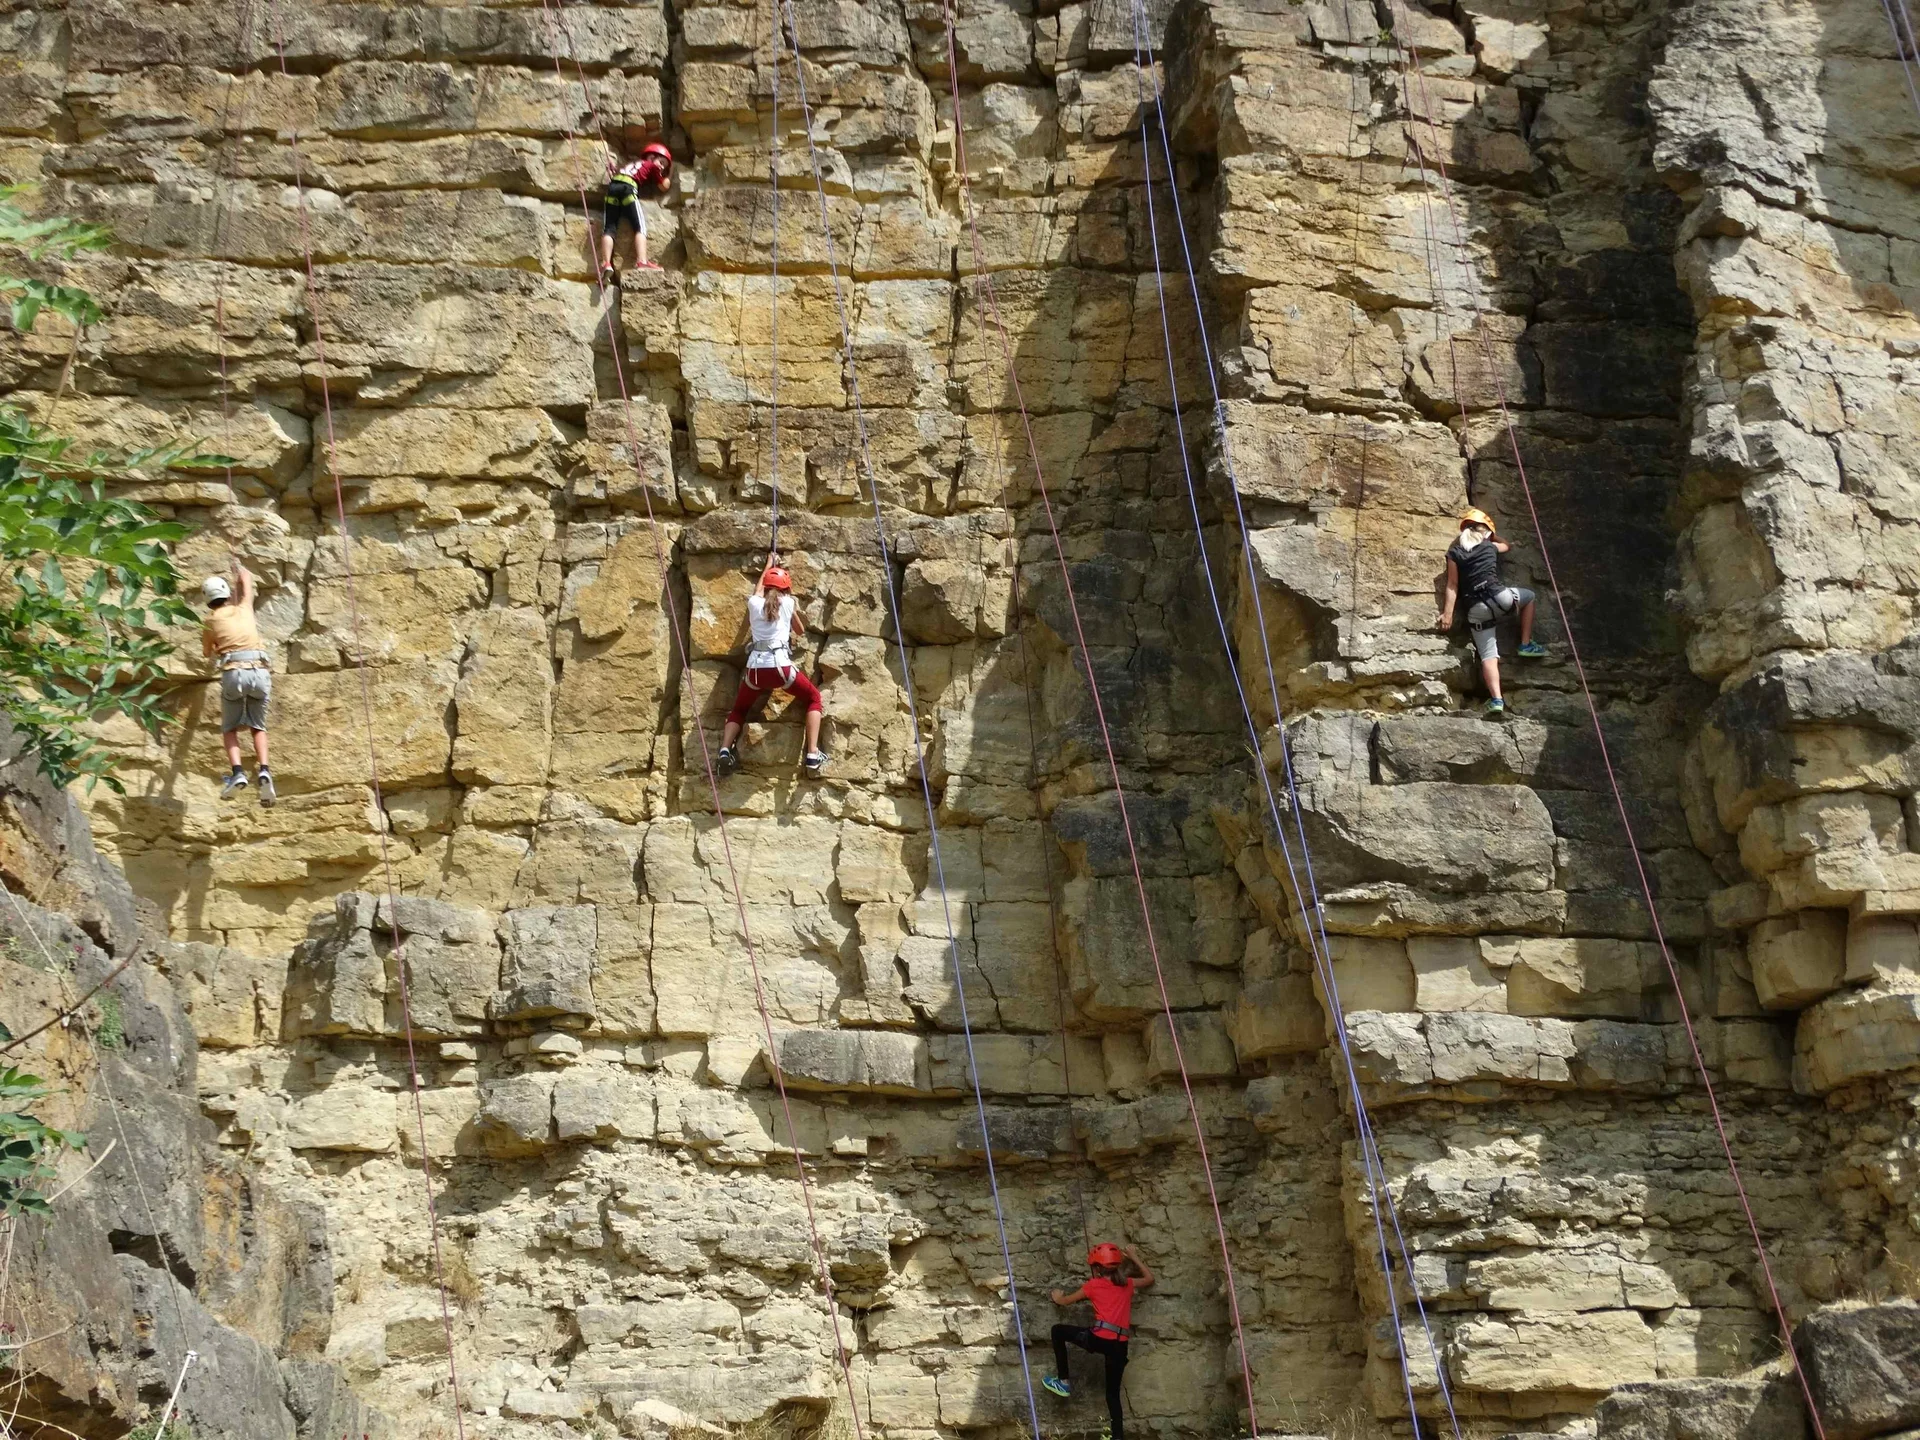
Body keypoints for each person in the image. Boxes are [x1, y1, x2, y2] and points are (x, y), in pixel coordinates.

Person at [717, 553, 826, 777]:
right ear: (786, 588)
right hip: (780, 668)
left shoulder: (754, 603)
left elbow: (758, 592)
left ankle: (725, 750)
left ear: (766, 586)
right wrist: (790, 605)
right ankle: (813, 753)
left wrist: (768, 565)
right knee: (814, 698)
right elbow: (800, 630)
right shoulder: (788, 602)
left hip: (755, 671)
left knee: (739, 709)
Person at [1437, 506, 1545, 719]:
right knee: (1530, 597)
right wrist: (1493, 534)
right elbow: (1507, 545)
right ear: (1486, 533)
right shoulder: (1489, 546)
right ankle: (1525, 644)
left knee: (1488, 655)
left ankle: (1496, 700)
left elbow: (1452, 585)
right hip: (1500, 598)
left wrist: (1447, 614)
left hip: (1477, 610)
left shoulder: (1455, 554)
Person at [1041, 1242, 1154, 1440]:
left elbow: (1064, 1301)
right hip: (1120, 1346)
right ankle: (1118, 1437)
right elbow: (1149, 1278)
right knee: (1112, 1395)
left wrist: (1057, 1296)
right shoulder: (1127, 1284)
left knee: (1057, 1331)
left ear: (1097, 1269)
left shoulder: (1093, 1285)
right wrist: (1134, 1256)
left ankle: (1064, 1381)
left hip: (1099, 1339)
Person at [201, 564, 274, 805]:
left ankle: (238, 773)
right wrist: (238, 569)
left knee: (230, 728)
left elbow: (206, 653)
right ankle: (264, 770)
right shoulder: (244, 608)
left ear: (207, 599)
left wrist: (216, 645)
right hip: (259, 671)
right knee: (258, 726)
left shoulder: (209, 621)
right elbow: (246, 578)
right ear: (225, 593)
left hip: (234, 673)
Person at [597, 141, 672, 285]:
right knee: (640, 227)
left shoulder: (630, 165)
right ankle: (642, 262)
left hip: (613, 187)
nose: (661, 166)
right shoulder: (651, 165)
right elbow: (664, 186)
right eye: (661, 162)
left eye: (664, 165)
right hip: (628, 189)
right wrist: (672, 171)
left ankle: (605, 263)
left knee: (609, 228)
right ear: (651, 157)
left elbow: (619, 173)